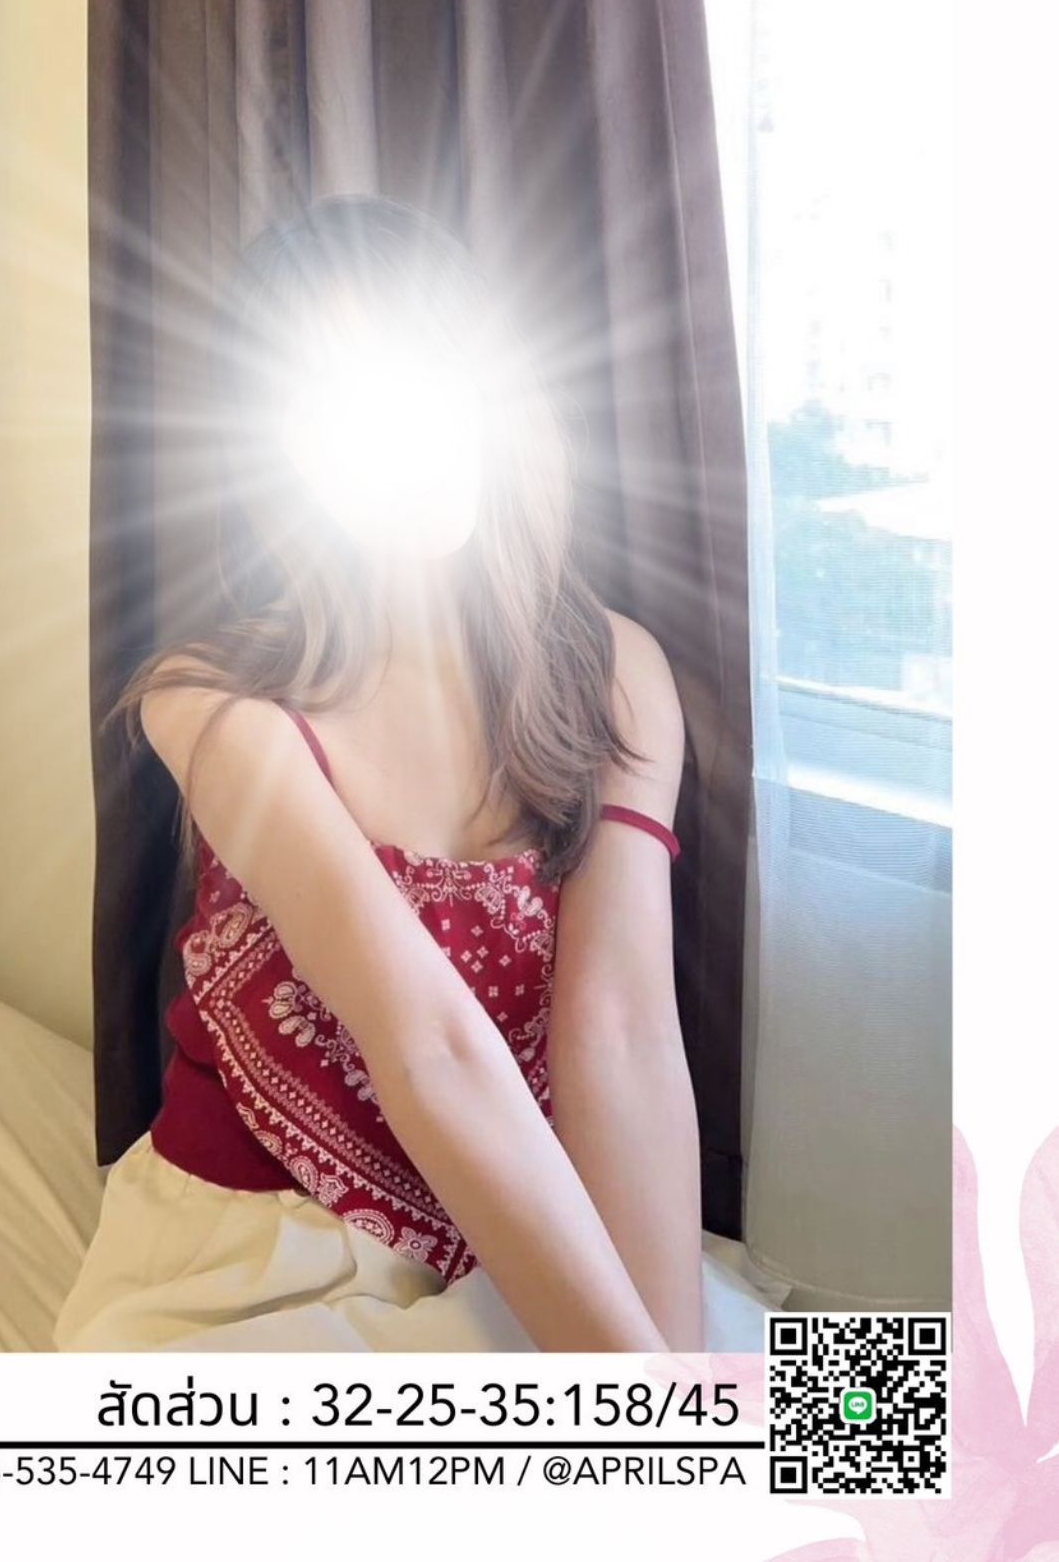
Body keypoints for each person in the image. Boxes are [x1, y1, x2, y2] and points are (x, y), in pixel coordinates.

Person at [55, 195, 779, 1353]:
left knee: (877, 1422)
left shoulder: (614, 674)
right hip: (256, 1265)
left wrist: (669, 1378)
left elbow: (621, 1029)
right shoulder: (216, 704)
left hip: (524, 1217)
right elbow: (427, 1043)